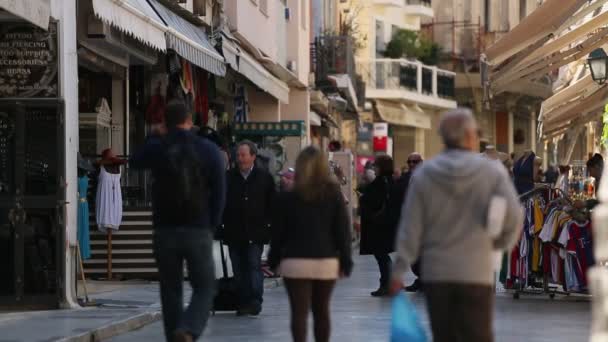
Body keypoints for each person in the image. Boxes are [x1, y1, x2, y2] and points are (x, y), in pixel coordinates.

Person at [391, 108, 523, 342]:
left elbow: (410, 227)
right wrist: (499, 246)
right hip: (477, 271)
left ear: (443, 136)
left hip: (437, 273)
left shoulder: (425, 175)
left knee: (445, 336)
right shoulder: (492, 173)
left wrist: (399, 269)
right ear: (471, 136)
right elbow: (513, 215)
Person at [130, 100, 226, 342]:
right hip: (198, 228)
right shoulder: (208, 149)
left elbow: (135, 161)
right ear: (189, 121)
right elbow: (220, 192)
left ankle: (174, 335)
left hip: (165, 230)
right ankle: (188, 328)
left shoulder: (159, 147)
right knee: (205, 286)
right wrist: (211, 225)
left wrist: (154, 136)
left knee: (170, 289)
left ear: (165, 122)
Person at [269, 146, 353, 342]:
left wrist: (274, 260)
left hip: (295, 261)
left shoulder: (287, 198)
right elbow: (342, 231)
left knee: (299, 313)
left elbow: (278, 234)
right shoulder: (333, 196)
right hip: (325, 261)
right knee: (322, 311)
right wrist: (346, 261)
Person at [223, 140, 276, 316]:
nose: (240, 159)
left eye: (244, 155)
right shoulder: (228, 177)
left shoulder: (264, 178)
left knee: (253, 265)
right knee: (238, 268)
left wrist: (269, 226)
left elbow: (272, 204)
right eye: (238, 155)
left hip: (256, 232)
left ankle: (255, 301)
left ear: (253, 156)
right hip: (233, 231)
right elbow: (220, 203)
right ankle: (243, 301)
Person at [360, 155, 399, 296]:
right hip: (385, 224)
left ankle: (386, 284)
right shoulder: (391, 181)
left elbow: (374, 201)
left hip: (379, 225)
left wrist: (363, 198)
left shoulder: (381, 182)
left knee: (381, 256)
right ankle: (388, 283)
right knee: (382, 256)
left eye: (376, 165)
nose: (374, 168)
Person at [394, 152, 423, 292]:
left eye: (415, 161)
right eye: (409, 161)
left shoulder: (426, 176)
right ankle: (421, 280)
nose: (411, 164)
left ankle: (423, 280)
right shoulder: (406, 178)